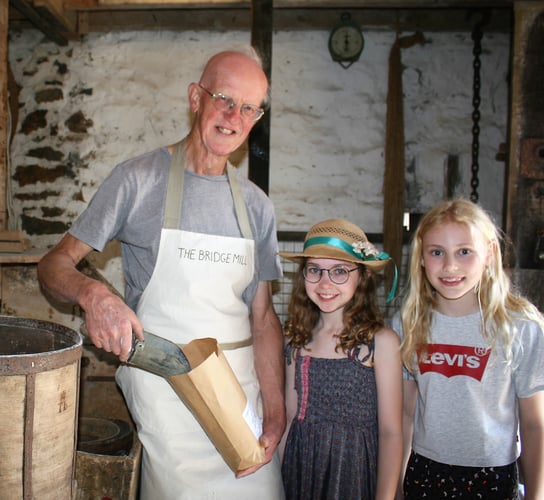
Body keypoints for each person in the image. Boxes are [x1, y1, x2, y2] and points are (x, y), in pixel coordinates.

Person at [37, 47, 285, 499]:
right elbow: (53, 265)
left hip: (239, 396)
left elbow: (264, 318)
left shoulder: (256, 206)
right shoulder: (137, 180)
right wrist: (94, 295)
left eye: (249, 108)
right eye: (224, 99)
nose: (234, 117)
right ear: (195, 97)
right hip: (167, 394)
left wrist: (276, 409)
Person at [394, 198, 544, 499]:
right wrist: (396, 486)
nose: (450, 266)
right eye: (437, 252)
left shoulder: (520, 326)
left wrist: (536, 495)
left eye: (464, 252)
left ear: (489, 253)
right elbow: (406, 414)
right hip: (425, 472)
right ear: (421, 258)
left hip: (493, 474)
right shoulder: (408, 323)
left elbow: (534, 423)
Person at [277, 218, 403, 499]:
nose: (325, 283)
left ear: (364, 276)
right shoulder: (295, 340)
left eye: (339, 271)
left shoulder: (381, 343)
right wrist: (276, 485)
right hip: (302, 468)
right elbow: (290, 417)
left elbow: (391, 432)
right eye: (315, 270)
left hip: (354, 470)